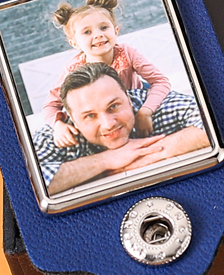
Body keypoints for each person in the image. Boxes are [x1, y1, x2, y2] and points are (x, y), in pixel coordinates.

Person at [33, 62, 209, 194]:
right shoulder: (59, 134)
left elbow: (214, 123)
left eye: (113, 106)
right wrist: (106, 160)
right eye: (90, 115)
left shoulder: (151, 105)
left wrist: (144, 155)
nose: (108, 124)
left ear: (128, 98)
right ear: (73, 120)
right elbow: (29, 183)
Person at [42, 0, 171, 147]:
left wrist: (146, 111)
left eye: (104, 27)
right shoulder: (74, 69)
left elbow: (160, 81)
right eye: (87, 32)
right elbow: (51, 105)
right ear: (74, 43)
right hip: (105, 113)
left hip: (135, 98)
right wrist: (58, 126)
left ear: (116, 31)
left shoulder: (127, 53)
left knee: (166, 102)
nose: (98, 35)